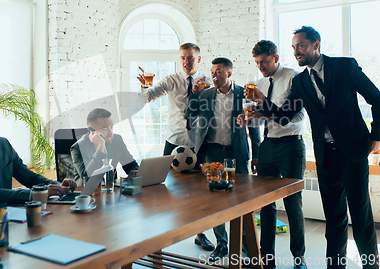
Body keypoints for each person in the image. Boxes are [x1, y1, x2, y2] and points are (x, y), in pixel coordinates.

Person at [246, 26, 380, 269]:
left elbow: (377, 98)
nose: (296, 51)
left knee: (361, 218)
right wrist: (261, 101)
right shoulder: (300, 82)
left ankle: (371, 266)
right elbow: (285, 116)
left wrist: (377, 136)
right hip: (325, 156)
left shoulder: (344, 67)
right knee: (334, 219)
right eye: (293, 47)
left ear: (316, 44)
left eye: (300, 45)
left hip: (352, 153)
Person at [138, 42, 215, 252]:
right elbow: (146, 98)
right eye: (182, 57)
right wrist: (145, 86)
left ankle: (201, 234)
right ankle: (158, 237)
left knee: (200, 191)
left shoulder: (208, 82)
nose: (186, 61)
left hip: (198, 143)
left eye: (190, 57)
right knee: (161, 188)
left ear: (198, 59)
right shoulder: (172, 80)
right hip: (173, 141)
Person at [241, 40, 307, 269]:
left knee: (292, 204)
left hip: (291, 147)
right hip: (267, 145)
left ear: (276, 58)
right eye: (257, 63)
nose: (261, 67)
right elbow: (267, 116)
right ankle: (266, 259)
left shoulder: (294, 78)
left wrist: (261, 101)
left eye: (265, 62)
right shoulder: (259, 82)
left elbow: (293, 118)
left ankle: (299, 259)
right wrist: (251, 118)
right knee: (265, 204)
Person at [185, 57, 252, 261]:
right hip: (212, 152)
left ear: (229, 73)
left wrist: (255, 154)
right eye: (212, 71)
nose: (214, 75)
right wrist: (194, 94)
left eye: (219, 71)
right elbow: (189, 114)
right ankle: (222, 244)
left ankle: (245, 248)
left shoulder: (244, 93)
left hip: (236, 153)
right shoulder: (205, 93)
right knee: (216, 201)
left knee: (241, 200)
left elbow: (254, 123)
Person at [70, 108, 139, 186]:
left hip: (111, 190)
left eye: (111, 127)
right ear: (91, 130)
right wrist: (101, 146)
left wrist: (135, 171)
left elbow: (131, 166)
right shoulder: (78, 147)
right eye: (105, 129)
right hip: (88, 194)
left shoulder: (117, 140)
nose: (110, 133)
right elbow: (87, 177)